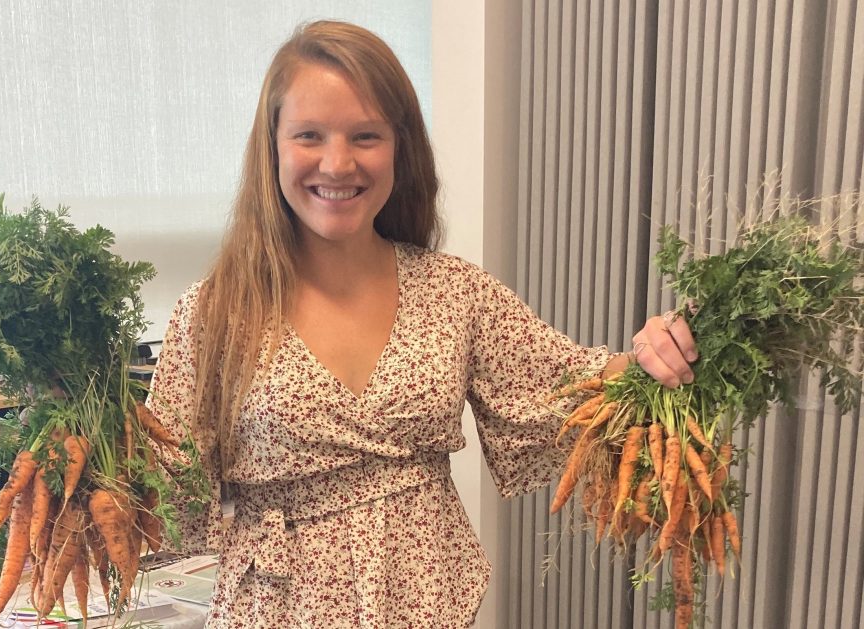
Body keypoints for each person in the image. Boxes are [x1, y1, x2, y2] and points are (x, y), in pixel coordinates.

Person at [147, 20, 697, 628]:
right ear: (271, 145)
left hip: (428, 605)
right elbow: (167, 495)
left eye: (365, 135)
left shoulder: (454, 292)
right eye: (309, 135)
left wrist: (652, 354)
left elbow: (567, 390)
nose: (337, 163)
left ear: (399, 149)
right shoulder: (216, 313)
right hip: (276, 609)